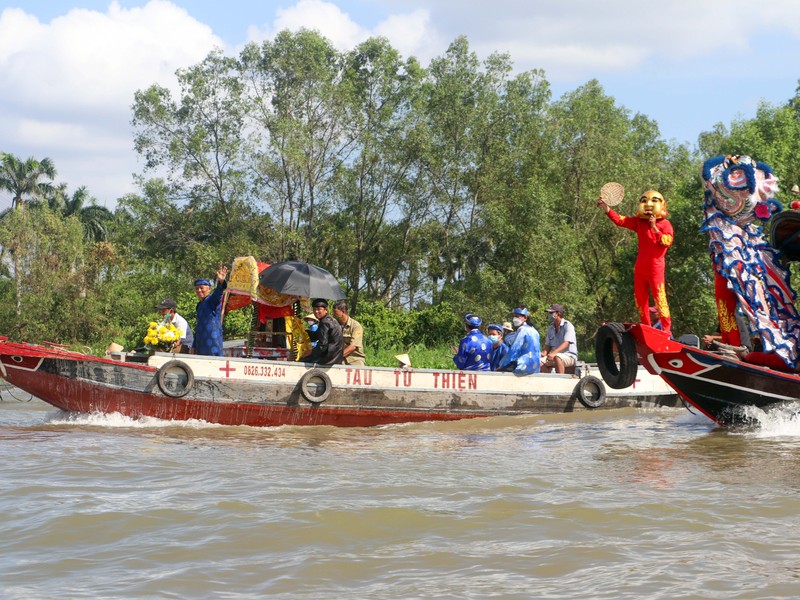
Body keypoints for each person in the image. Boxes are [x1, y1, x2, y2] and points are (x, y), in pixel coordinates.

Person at [598, 189, 674, 337]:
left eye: (653, 201)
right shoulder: (639, 222)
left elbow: (667, 241)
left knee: (660, 298)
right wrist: (606, 207)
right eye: (644, 201)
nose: (648, 204)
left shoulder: (665, 224)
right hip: (640, 267)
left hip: (655, 268)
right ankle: (646, 326)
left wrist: (654, 227)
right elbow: (621, 220)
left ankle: (666, 330)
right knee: (640, 298)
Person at [193, 265, 228, 356]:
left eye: (202, 288)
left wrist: (220, 282)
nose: (199, 290)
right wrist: (194, 345)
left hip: (213, 344)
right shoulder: (199, 305)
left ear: (209, 289)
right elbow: (198, 326)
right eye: (197, 288)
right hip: (200, 345)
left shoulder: (212, 301)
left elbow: (218, 294)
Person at [498, 307, 541, 374]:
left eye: (517, 316)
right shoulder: (534, 330)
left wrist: (502, 364)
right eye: (514, 316)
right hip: (535, 366)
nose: (515, 319)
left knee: (498, 372)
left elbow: (514, 349)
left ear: (525, 318)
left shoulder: (522, 329)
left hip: (523, 364)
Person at [304, 299, 344, 364]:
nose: (316, 312)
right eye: (314, 309)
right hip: (335, 356)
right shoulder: (329, 320)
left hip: (329, 358)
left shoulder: (325, 322)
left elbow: (322, 346)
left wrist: (310, 352)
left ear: (326, 310)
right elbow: (317, 336)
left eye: (319, 309)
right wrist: (304, 332)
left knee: (302, 360)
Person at [541, 304, 578, 374]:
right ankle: (549, 381)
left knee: (557, 357)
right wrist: (544, 353)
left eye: (551, 313)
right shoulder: (550, 327)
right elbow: (548, 346)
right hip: (555, 356)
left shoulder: (568, 325)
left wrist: (553, 353)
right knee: (539, 362)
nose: (549, 315)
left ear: (558, 313)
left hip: (569, 356)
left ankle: (561, 380)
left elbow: (566, 343)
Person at [332, 300, 366, 366]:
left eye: (335, 312)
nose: (333, 315)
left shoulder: (356, 326)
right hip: (340, 359)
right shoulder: (334, 325)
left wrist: (337, 356)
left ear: (343, 312)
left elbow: (353, 346)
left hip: (355, 359)